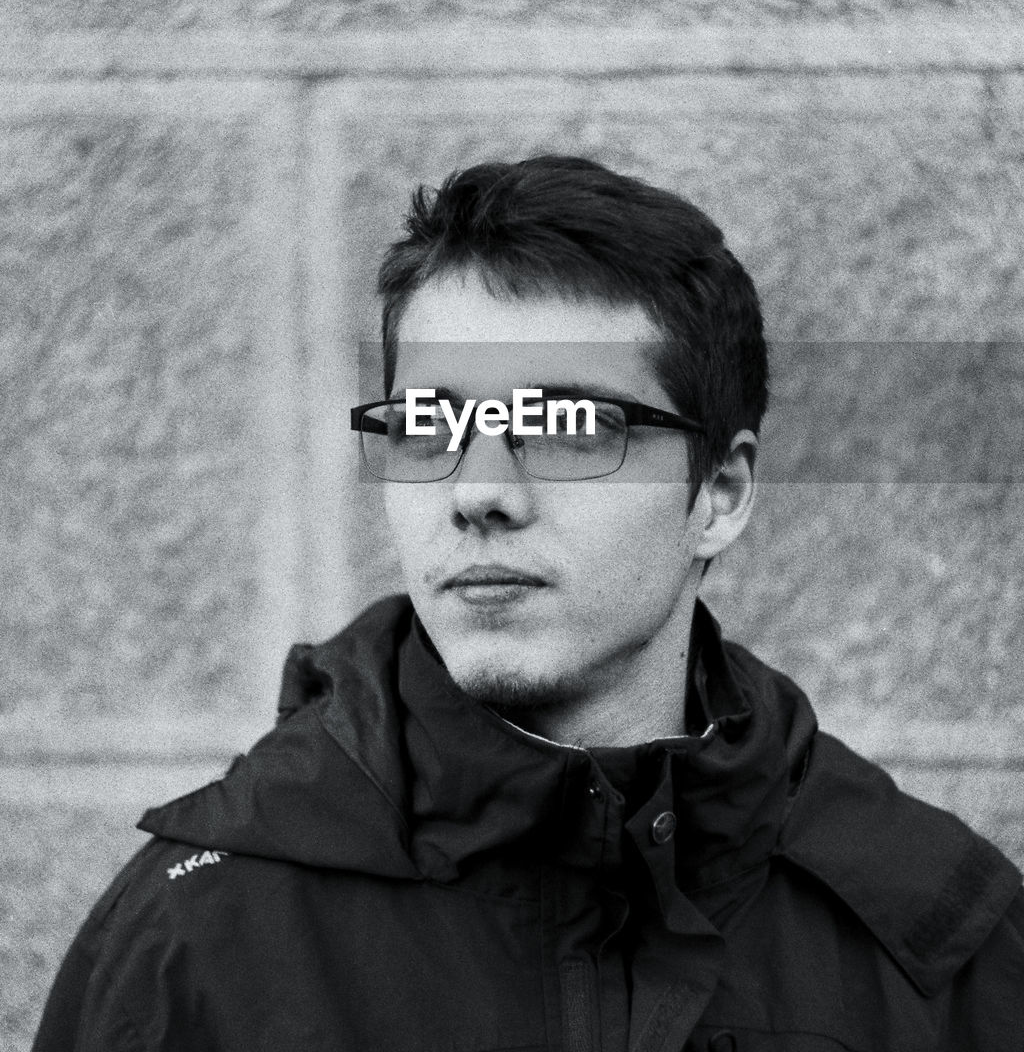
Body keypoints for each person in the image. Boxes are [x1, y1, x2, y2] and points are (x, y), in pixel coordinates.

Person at [34, 156, 1022, 1051]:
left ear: (717, 492)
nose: (479, 490)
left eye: (567, 425)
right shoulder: (200, 935)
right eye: (429, 423)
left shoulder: (934, 933)